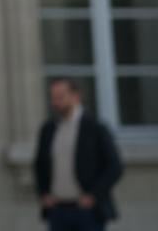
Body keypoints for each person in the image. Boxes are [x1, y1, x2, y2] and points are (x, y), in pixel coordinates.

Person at [32, 78, 123, 231]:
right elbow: (39, 165)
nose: (55, 102)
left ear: (75, 97)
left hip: (87, 210)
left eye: (60, 97)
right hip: (57, 209)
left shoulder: (95, 128)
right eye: (53, 97)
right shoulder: (48, 129)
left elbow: (115, 166)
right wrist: (43, 193)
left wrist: (93, 195)